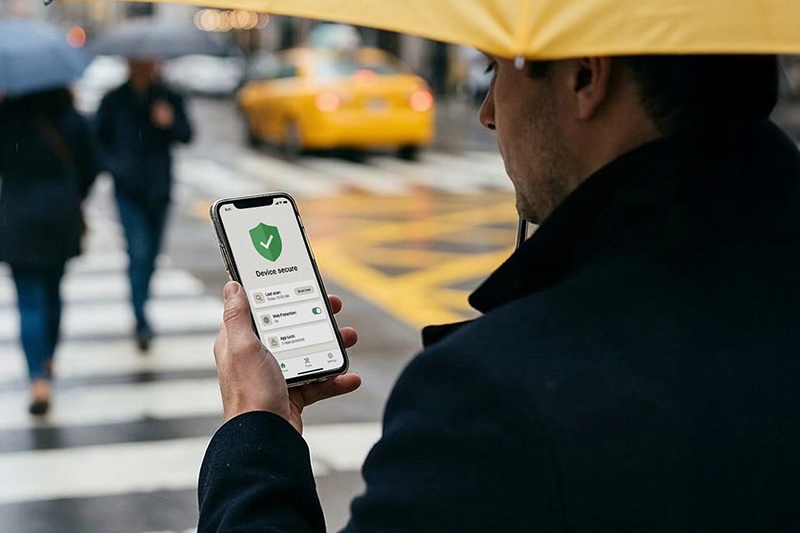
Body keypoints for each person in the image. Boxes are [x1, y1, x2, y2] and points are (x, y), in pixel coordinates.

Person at [197, 53, 800, 531]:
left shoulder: (501, 397)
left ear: (586, 76)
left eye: (494, 70)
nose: (487, 112)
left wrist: (256, 428)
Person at [0, 87, 99, 416]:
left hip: (17, 216)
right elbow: (91, 164)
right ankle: (49, 358)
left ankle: (37, 378)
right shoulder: (70, 117)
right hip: (60, 214)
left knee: (29, 300)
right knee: (53, 291)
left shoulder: (8, 117)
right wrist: (74, 192)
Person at [94, 59, 193, 351]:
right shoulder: (114, 99)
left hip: (159, 188)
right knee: (138, 252)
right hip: (128, 190)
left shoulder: (168, 97)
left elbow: (187, 135)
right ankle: (140, 319)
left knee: (150, 255)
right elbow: (98, 141)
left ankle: (142, 304)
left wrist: (170, 122)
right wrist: (116, 167)